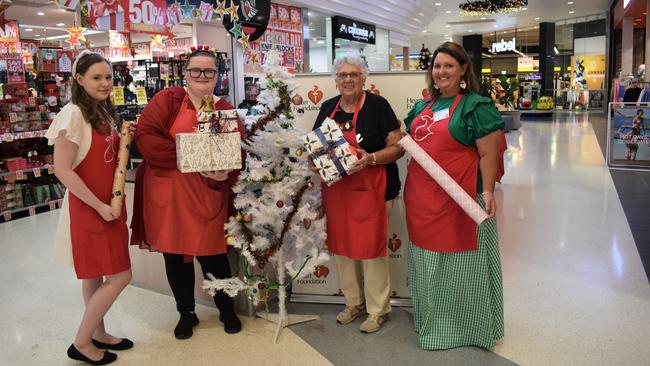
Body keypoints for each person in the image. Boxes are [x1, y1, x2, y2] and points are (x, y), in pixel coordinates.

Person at [131, 46, 244, 339]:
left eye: (209, 71)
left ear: (217, 76)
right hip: (169, 197)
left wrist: (225, 173)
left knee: (215, 258)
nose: (202, 76)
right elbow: (146, 138)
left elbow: (236, 151)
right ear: (186, 73)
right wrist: (190, 154)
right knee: (174, 258)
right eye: (196, 70)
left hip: (207, 196)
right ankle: (186, 313)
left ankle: (226, 309)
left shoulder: (223, 110)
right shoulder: (166, 100)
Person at [402, 42, 505, 350]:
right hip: (421, 200)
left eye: (448, 65)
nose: (441, 71)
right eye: (436, 66)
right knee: (427, 266)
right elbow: (406, 141)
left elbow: (489, 152)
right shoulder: (423, 107)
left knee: (463, 267)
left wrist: (487, 191)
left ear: (463, 70)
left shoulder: (476, 105)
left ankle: (468, 330)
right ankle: (433, 324)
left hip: (460, 201)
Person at [46, 51, 133, 365]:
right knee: (121, 275)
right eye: (97, 77)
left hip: (108, 206)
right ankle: (81, 342)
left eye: (108, 77)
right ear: (79, 79)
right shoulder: (72, 114)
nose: (105, 83)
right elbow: (63, 169)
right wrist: (98, 205)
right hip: (90, 208)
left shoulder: (102, 111)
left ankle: (99, 332)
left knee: (95, 275)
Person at [312, 56, 403, 333]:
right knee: (342, 249)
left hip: (373, 187)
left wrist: (372, 158)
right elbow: (316, 145)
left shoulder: (379, 106)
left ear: (364, 79)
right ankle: (353, 302)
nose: (348, 79)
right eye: (342, 75)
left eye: (354, 74)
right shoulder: (328, 107)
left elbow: (398, 148)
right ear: (335, 80)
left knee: (372, 250)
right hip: (338, 191)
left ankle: (377, 310)